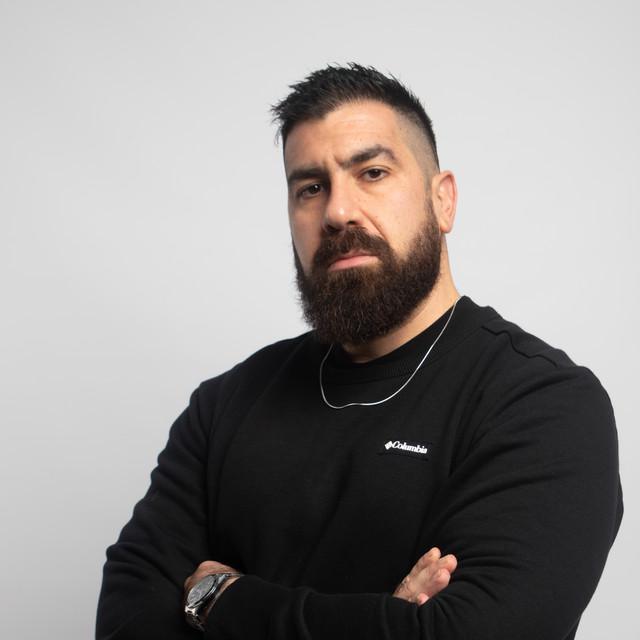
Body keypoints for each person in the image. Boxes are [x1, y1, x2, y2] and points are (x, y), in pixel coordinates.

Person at [96, 63, 623, 639]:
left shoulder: (542, 406)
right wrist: (387, 621)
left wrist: (219, 599)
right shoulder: (225, 405)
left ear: (443, 201)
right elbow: (127, 621)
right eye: (310, 187)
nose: (337, 211)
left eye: (372, 172)